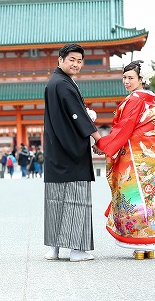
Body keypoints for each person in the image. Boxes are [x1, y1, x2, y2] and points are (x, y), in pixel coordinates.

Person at [95, 60, 155, 260]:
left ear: (142, 79)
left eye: (131, 78)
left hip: (133, 158)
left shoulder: (135, 100)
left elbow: (123, 129)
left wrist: (102, 144)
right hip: (150, 160)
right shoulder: (153, 104)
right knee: (149, 196)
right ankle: (149, 243)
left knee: (135, 197)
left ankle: (140, 243)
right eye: (124, 77)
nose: (126, 81)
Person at [43, 43, 101, 262]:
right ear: (60, 60)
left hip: (55, 151)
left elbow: (73, 114)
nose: (76, 64)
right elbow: (77, 115)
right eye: (72, 60)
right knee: (77, 200)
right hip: (70, 153)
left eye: (79, 61)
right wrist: (97, 138)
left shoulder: (55, 82)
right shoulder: (64, 85)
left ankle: (54, 248)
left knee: (55, 200)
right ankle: (77, 250)